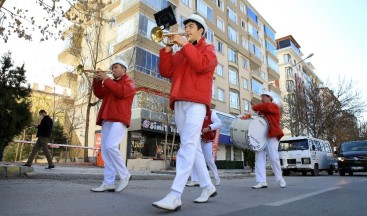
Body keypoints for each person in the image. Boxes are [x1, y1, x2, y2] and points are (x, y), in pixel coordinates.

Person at [152, 14, 218, 211]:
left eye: (190, 26)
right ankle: (207, 186)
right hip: (179, 100)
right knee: (193, 147)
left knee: (187, 145)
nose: (186, 29)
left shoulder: (209, 49)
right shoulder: (181, 52)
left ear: (201, 31)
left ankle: (175, 195)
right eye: (185, 26)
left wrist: (183, 44)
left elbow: (201, 65)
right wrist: (168, 47)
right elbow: (166, 71)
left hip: (197, 102)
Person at [90, 59, 136, 193]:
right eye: (112, 67)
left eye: (116, 67)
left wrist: (106, 79)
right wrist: (97, 81)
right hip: (107, 118)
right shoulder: (111, 83)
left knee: (111, 146)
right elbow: (100, 94)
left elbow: (121, 92)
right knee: (105, 152)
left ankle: (124, 174)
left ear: (124, 69)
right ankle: (108, 183)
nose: (113, 69)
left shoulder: (129, 82)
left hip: (119, 119)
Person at [251, 91, 286, 189]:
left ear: (269, 98)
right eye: (261, 97)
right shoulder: (263, 108)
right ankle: (261, 181)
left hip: (272, 135)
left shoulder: (274, 106)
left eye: (263, 97)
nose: (262, 99)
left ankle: (280, 179)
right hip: (261, 136)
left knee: (274, 157)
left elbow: (256, 107)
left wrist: (256, 106)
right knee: (259, 158)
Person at [186, 109, 222, 187]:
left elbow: (219, 123)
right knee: (193, 159)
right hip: (197, 140)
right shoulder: (195, 112)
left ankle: (216, 177)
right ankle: (195, 180)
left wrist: (209, 128)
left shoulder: (211, 113)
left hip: (206, 141)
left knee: (209, 160)